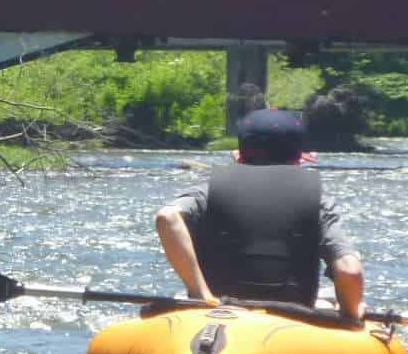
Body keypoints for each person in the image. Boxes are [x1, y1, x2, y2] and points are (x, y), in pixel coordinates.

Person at [154, 107, 366, 321]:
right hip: (292, 318)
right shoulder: (319, 201)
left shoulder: (208, 191)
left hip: (215, 313)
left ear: (238, 155)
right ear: (297, 160)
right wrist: (351, 314)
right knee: (330, 299)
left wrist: (201, 294)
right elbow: (349, 270)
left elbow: (167, 217)